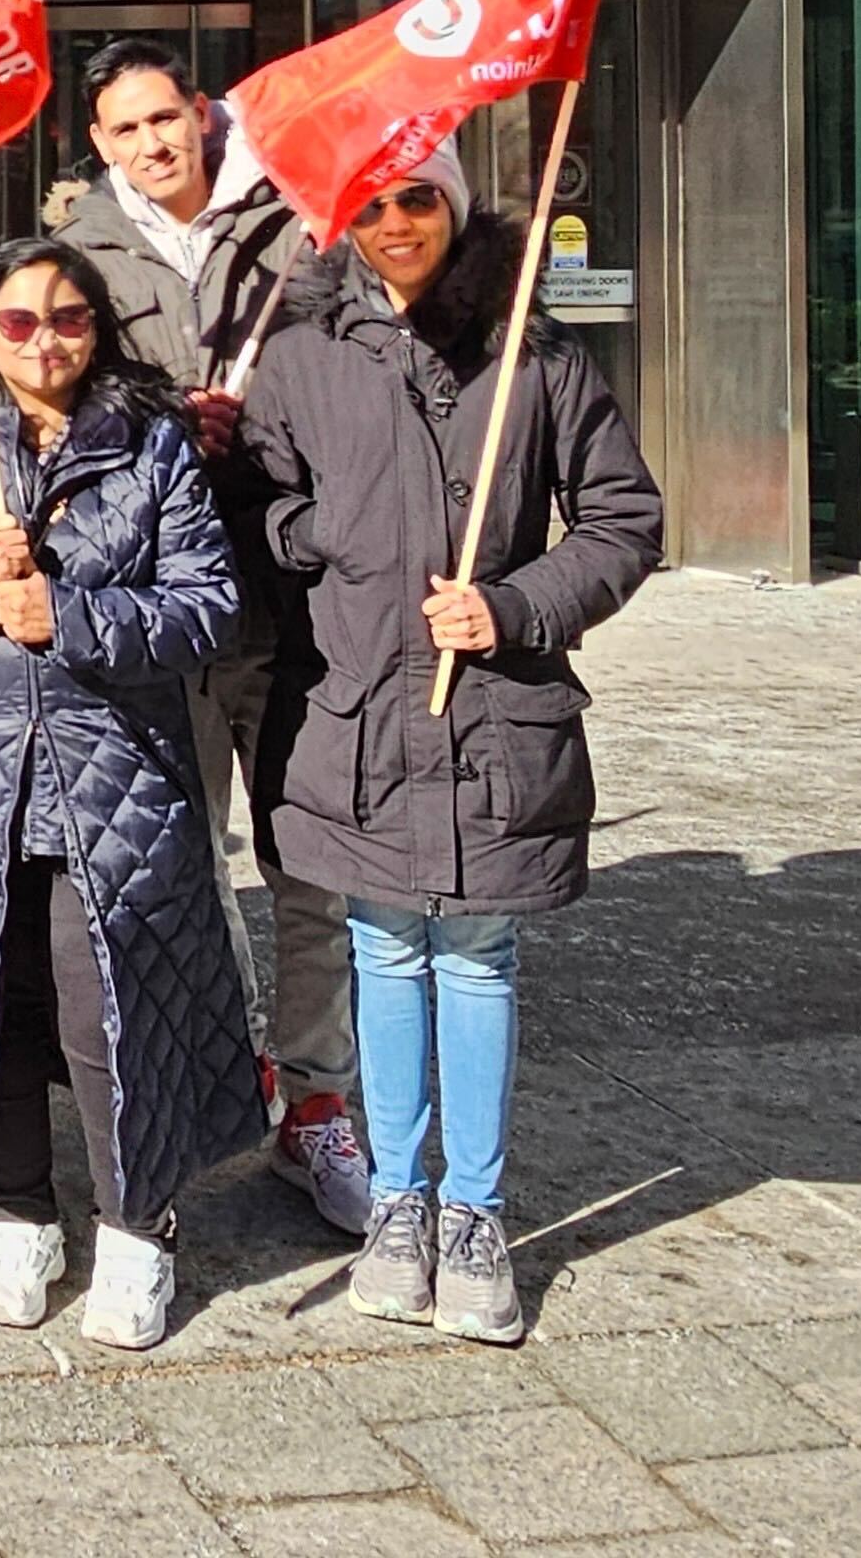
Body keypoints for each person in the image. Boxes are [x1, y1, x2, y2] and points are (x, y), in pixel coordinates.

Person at [240, 149, 662, 1347]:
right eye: (367, 202)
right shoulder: (301, 354)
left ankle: (472, 1212)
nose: (392, 223)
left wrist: (518, 606)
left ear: (455, 204)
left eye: (415, 198)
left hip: (491, 716)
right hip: (362, 710)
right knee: (379, 945)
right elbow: (253, 508)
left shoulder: (534, 350)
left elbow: (625, 518)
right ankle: (396, 1205)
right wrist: (320, 529)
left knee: (474, 955)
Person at [0, 236, 264, 1354]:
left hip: (112, 774)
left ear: (99, 326)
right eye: (19, 321)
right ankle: (17, 1209)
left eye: (68, 317)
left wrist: (70, 620)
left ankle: (136, 1225)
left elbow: (207, 608)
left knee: (104, 1008)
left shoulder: (152, 446)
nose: (46, 340)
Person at [51, 36, 353, 1235]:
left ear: (200, 115)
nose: (150, 144)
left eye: (164, 118)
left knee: (311, 866)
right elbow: (60, 401)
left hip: (291, 608)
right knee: (163, 873)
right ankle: (180, 1100)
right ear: (98, 144)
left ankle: (317, 1102)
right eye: (124, 130)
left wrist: (263, 425)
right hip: (158, 615)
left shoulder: (295, 220)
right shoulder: (79, 248)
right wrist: (166, 421)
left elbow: (351, 375)